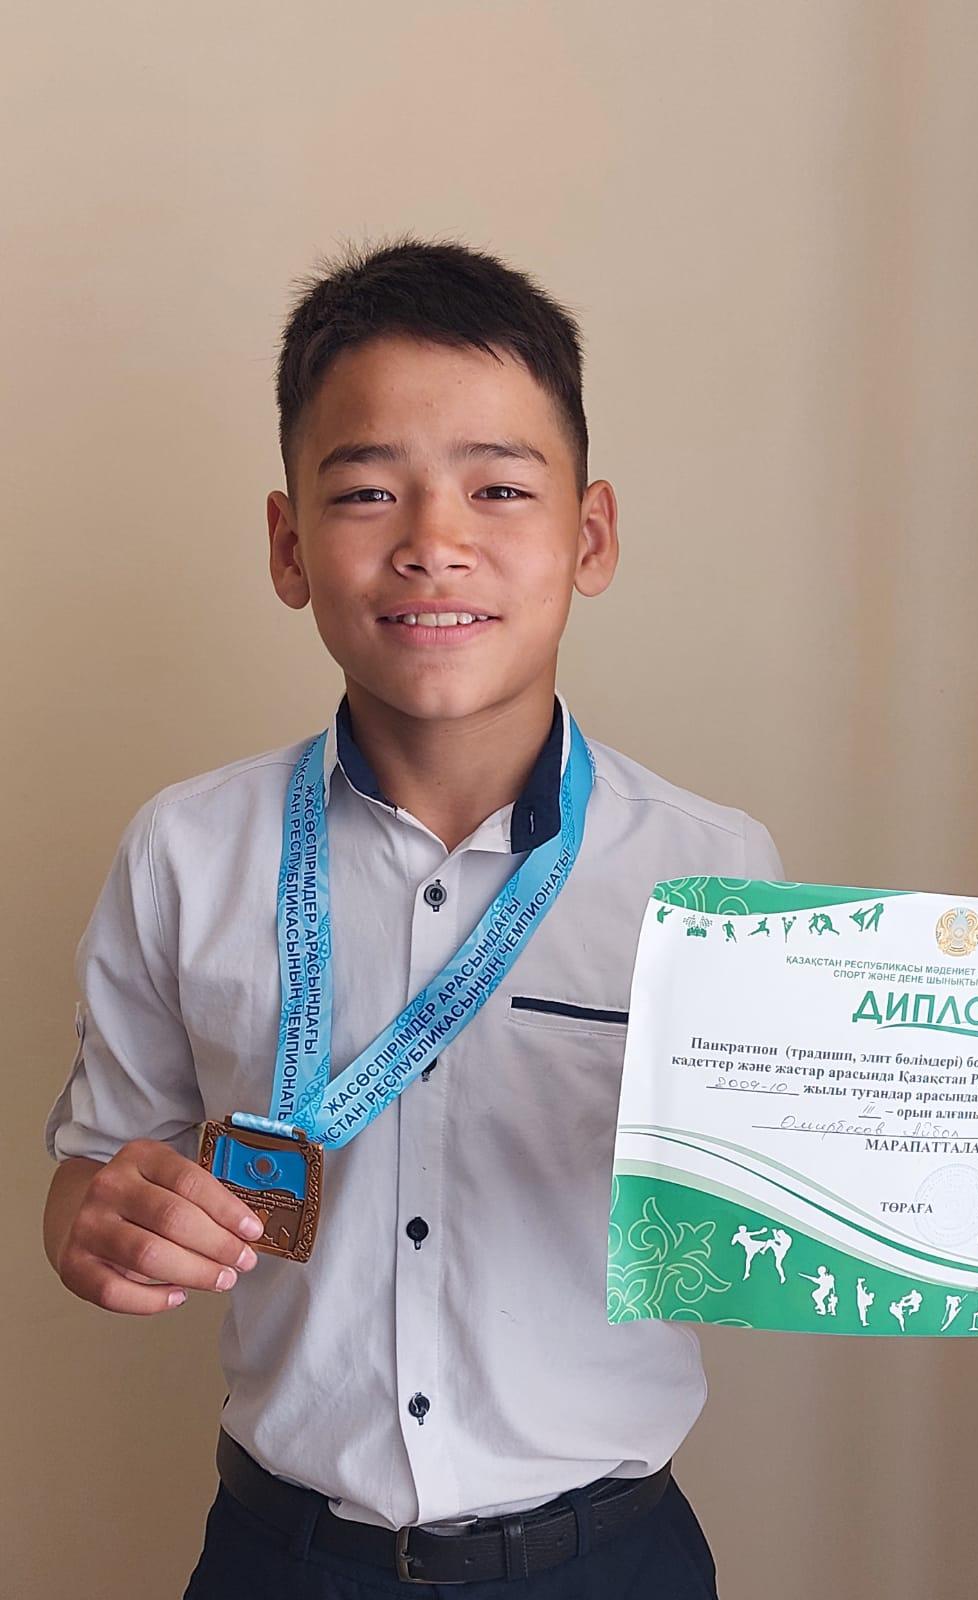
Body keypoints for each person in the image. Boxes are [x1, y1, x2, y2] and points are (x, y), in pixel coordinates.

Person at [40, 235, 787, 1598]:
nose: (434, 543)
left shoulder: (713, 877)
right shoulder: (185, 853)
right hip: (283, 1555)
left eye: (500, 488)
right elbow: (94, 1178)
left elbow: (823, 1186)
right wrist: (101, 1228)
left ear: (591, 536)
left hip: (605, 1557)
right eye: (368, 491)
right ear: (289, 546)